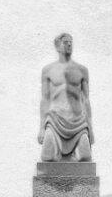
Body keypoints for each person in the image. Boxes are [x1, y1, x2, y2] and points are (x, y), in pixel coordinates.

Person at [38, 33, 94, 161]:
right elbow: (45, 99)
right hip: (55, 120)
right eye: (65, 42)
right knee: (47, 158)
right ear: (57, 47)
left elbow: (86, 100)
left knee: (85, 157)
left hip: (78, 122)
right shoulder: (48, 70)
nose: (69, 44)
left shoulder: (82, 70)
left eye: (70, 42)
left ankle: (74, 154)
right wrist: (42, 128)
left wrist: (90, 128)